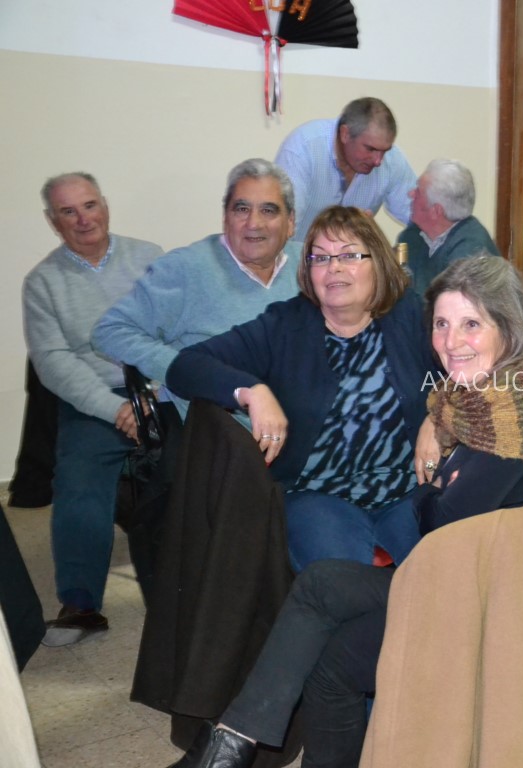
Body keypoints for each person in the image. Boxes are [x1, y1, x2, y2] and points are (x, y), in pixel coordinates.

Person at [166, 255, 523, 768]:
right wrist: (435, 472)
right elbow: (445, 496)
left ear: (508, 326)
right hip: (477, 574)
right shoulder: (480, 394)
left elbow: (441, 523)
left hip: (498, 601)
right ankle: (229, 744)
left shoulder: (516, 410)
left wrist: (428, 491)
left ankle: (224, 752)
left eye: (471, 324)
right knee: (321, 586)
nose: (451, 341)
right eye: (441, 324)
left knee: (332, 656)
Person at [166, 206, 438, 572]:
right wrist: (252, 390)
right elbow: (184, 366)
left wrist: (440, 415)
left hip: (405, 490)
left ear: (378, 262)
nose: (334, 268)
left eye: (349, 255)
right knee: (341, 584)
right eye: (320, 258)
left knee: (442, 575)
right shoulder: (284, 326)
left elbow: (469, 372)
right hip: (318, 495)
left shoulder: (409, 314)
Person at [22, 172, 164, 645]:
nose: (83, 219)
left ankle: (201, 587)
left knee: (203, 468)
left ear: (104, 205)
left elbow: (178, 333)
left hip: (160, 393)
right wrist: (116, 409)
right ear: (53, 221)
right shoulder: (43, 282)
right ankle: (80, 604)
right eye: (69, 211)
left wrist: (153, 397)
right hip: (93, 402)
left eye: (89, 205)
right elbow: (53, 363)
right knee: (78, 485)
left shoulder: (150, 257)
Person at [93, 159, 303, 417]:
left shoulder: (312, 263)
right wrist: (180, 371)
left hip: (312, 420)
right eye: (242, 209)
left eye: (268, 210)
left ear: (290, 222)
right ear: (225, 218)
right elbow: (110, 332)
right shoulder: (185, 269)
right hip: (228, 428)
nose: (254, 223)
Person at [275, 97, 418, 239]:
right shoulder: (303, 149)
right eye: (370, 149)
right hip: (296, 251)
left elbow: (420, 217)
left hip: (352, 254)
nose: (378, 161)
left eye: (384, 151)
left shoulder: (392, 161)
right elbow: (282, 227)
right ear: (345, 134)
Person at [394, 158, 497, 294]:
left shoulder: (470, 251)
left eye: (418, 191)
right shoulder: (411, 236)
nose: (410, 194)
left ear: (436, 211)